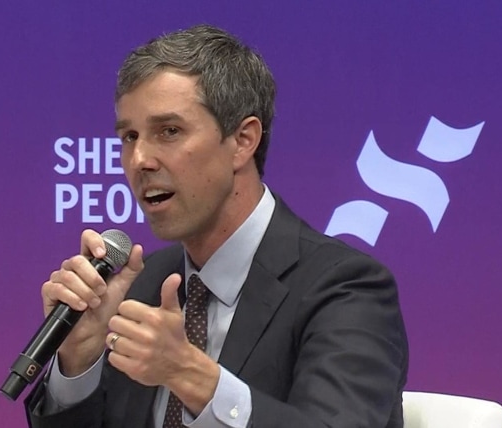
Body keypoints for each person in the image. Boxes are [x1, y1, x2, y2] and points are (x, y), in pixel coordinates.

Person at [25, 24, 408, 427]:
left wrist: (191, 376)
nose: (139, 160)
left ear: (243, 140)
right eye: (130, 137)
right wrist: (79, 357)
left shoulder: (347, 288)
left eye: (169, 131)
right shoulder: (140, 286)